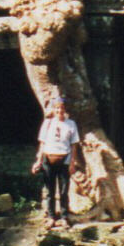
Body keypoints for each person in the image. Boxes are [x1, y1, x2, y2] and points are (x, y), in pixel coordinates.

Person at [31, 97, 83, 229]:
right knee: (50, 190)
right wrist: (38, 161)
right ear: (54, 109)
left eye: (62, 108)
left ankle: (64, 217)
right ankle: (51, 217)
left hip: (64, 160)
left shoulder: (71, 124)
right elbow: (42, 143)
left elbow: (74, 145)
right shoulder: (48, 123)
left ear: (65, 110)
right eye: (57, 108)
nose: (59, 110)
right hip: (48, 159)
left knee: (64, 190)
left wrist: (72, 163)